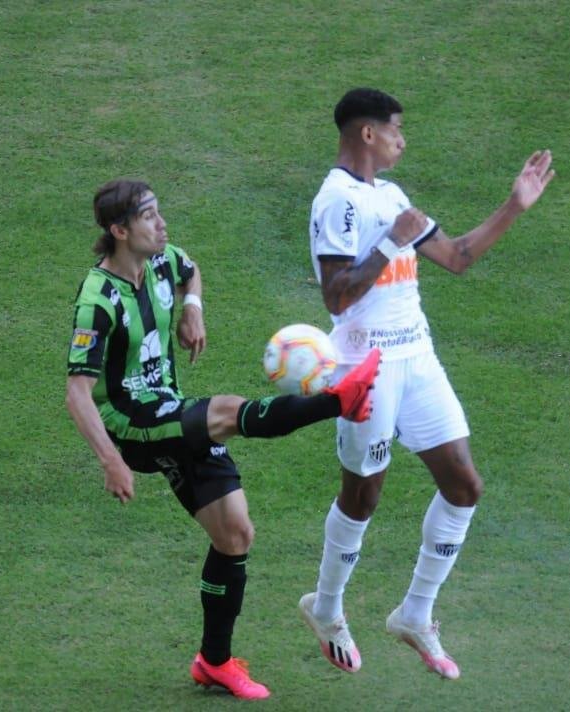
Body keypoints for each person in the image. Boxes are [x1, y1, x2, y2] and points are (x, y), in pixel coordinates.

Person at [65, 178, 381, 700]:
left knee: (235, 535)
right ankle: (340, 400)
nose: (162, 224)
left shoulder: (163, 260)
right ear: (119, 231)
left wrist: (193, 308)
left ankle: (213, 663)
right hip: (133, 425)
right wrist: (110, 461)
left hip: (168, 410)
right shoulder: (98, 299)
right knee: (227, 412)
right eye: (149, 216)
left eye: (159, 212)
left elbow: (191, 272)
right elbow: (77, 393)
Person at [298, 88, 555, 680]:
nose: (402, 140)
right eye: (395, 129)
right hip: (366, 367)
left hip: (417, 357)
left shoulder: (391, 195)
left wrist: (514, 206)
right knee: (364, 495)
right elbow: (336, 297)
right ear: (367, 133)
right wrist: (391, 241)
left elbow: (458, 256)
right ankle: (326, 607)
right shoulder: (337, 201)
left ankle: (415, 613)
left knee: (464, 485)